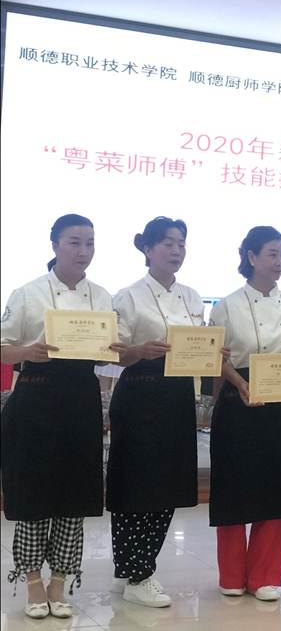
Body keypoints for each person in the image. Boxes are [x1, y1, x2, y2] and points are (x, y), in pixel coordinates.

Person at [1, 214, 123, 619]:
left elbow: (110, 353)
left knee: (75, 492)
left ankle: (60, 580)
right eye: (74, 242)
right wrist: (26, 352)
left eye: (90, 243)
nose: (83, 251)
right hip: (35, 396)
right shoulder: (28, 293)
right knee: (33, 490)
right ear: (54, 245)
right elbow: (3, 346)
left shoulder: (101, 297)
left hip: (81, 399)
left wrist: (115, 350)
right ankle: (32, 580)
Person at [209, 226, 281, 600]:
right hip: (239, 401)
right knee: (234, 487)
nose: (279, 262)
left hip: (279, 405)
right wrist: (240, 383)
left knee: (277, 487)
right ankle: (231, 576)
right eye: (272, 254)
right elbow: (215, 357)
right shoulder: (226, 306)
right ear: (251, 257)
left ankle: (266, 576)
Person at [107, 217, 205, 607]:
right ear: (147, 249)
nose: (176, 250)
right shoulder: (128, 296)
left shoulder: (192, 297)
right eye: (167, 243)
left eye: (181, 243)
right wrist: (139, 351)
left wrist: (211, 351)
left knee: (168, 485)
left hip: (177, 395)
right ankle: (137, 573)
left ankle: (135, 568)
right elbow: (111, 354)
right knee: (135, 483)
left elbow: (197, 347)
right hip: (139, 394)